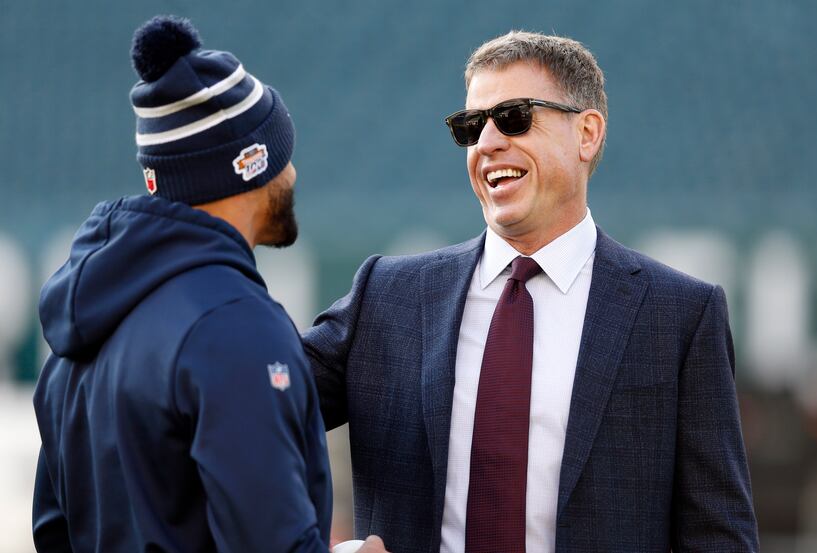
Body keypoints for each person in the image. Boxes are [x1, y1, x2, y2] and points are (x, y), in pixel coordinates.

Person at [304, 31, 759, 552]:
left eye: (515, 117)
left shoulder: (679, 315)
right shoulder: (388, 296)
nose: (488, 143)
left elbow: (719, 535)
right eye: (471, 127)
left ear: (586, 134)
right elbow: (238, 404)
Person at [32, 16, 386, 553]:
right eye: (283, 152)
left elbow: (53, 533)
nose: (294, 174)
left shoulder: (81, 324)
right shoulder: (233, 324)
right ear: (251, 165)